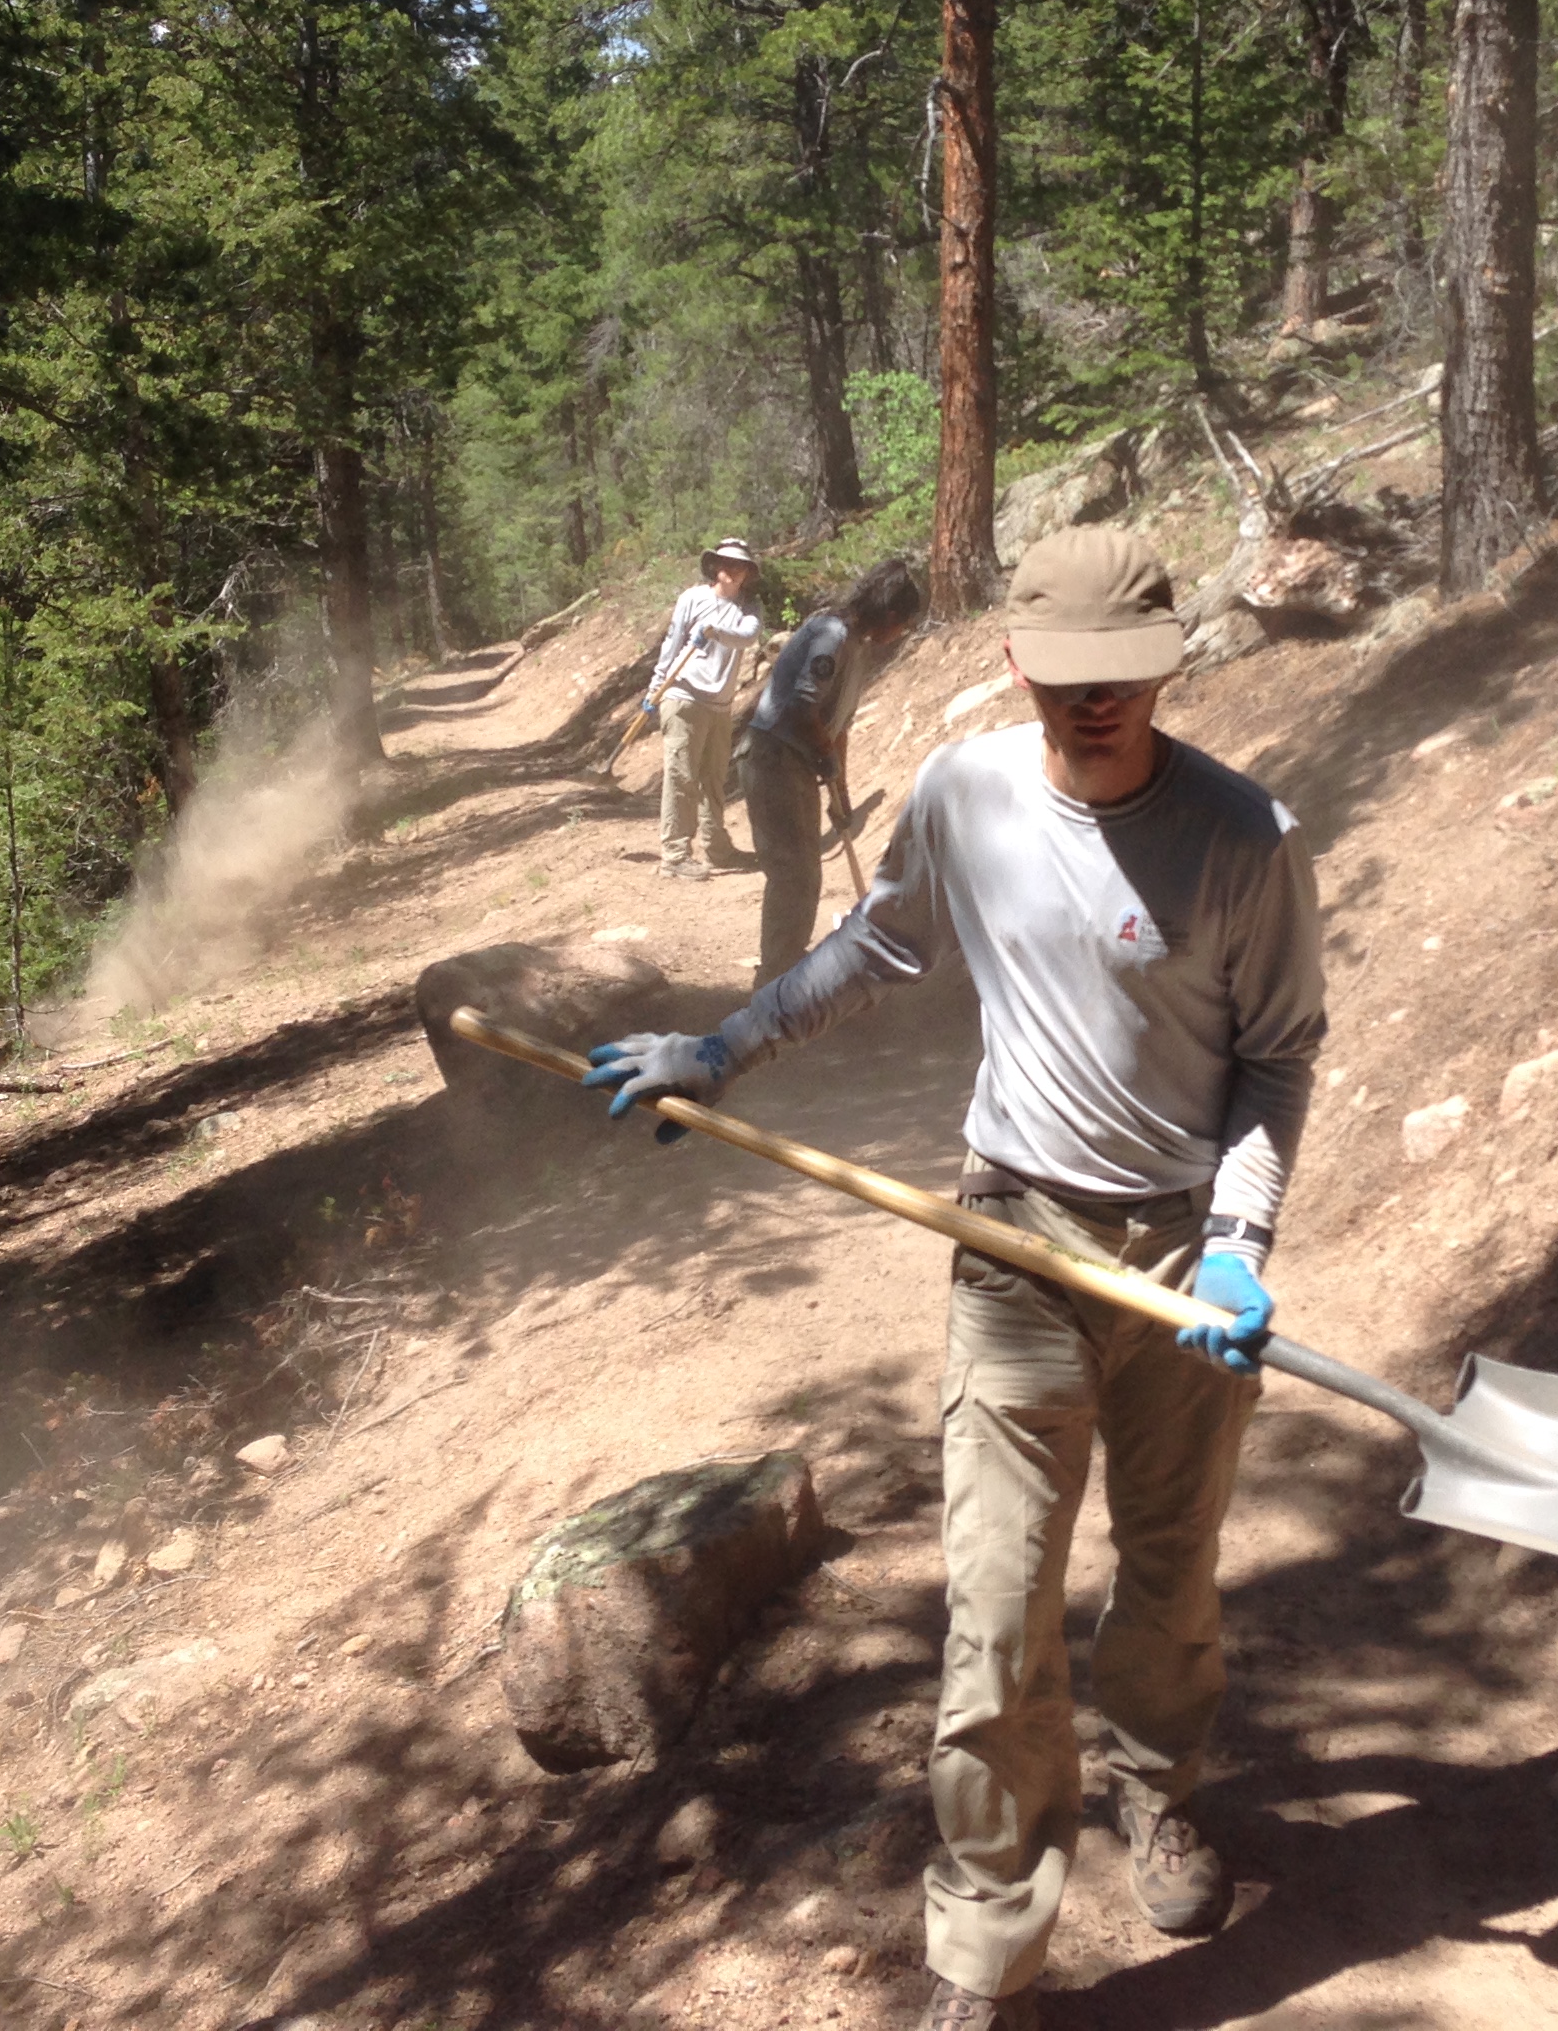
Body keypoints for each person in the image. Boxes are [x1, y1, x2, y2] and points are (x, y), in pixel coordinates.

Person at [584, 526, 1326, 2031]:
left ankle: (1156, 1789)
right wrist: (720, 1050)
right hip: (1016, 1248)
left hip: (1181, 1256)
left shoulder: (1245, 839)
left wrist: (1241, 1246)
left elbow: (1278, 1058)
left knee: (1172, 1580)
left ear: (1166, 668)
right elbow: (880, 943)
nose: (1092, 705)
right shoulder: (969, 790)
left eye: (1122, 677)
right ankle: (988, 1947)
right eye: (1063, 676)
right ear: (1011, 663)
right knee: (997, 1616)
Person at [739, 556, 925, 985]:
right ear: (890, 615)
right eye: (903, 625)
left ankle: (783, 969)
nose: (899, 635)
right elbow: (803, 709)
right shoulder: (832, 635)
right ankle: (774, 980)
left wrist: (840, 792)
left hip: (797, 763)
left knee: (804, 873)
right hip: (773, 759)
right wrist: (823, 756)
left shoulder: (857, 648)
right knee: (794, 873)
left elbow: (837, 725)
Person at [640, 537, 762, 880]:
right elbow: (672, 644)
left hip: (719, 705)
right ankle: (675, 855)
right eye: (726, 563)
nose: (731, 570)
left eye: (739, 565)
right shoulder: (692, 598)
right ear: (715, 566)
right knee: (681, 776)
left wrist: (713, 630)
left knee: (714, 779)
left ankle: (717, 847)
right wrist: (655, 687)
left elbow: (746, 636)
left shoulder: (749, 609)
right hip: (683, 697)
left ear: (747, 573)